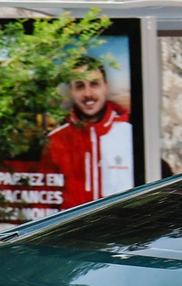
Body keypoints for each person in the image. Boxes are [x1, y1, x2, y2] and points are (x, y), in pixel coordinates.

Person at [47, 62, 134, 209]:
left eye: (94, 84)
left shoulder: (129, 133)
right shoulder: (55, 140)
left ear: (105, 87)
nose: (88, 94)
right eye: (80, 86)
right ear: (71, 91)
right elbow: (42, 200)